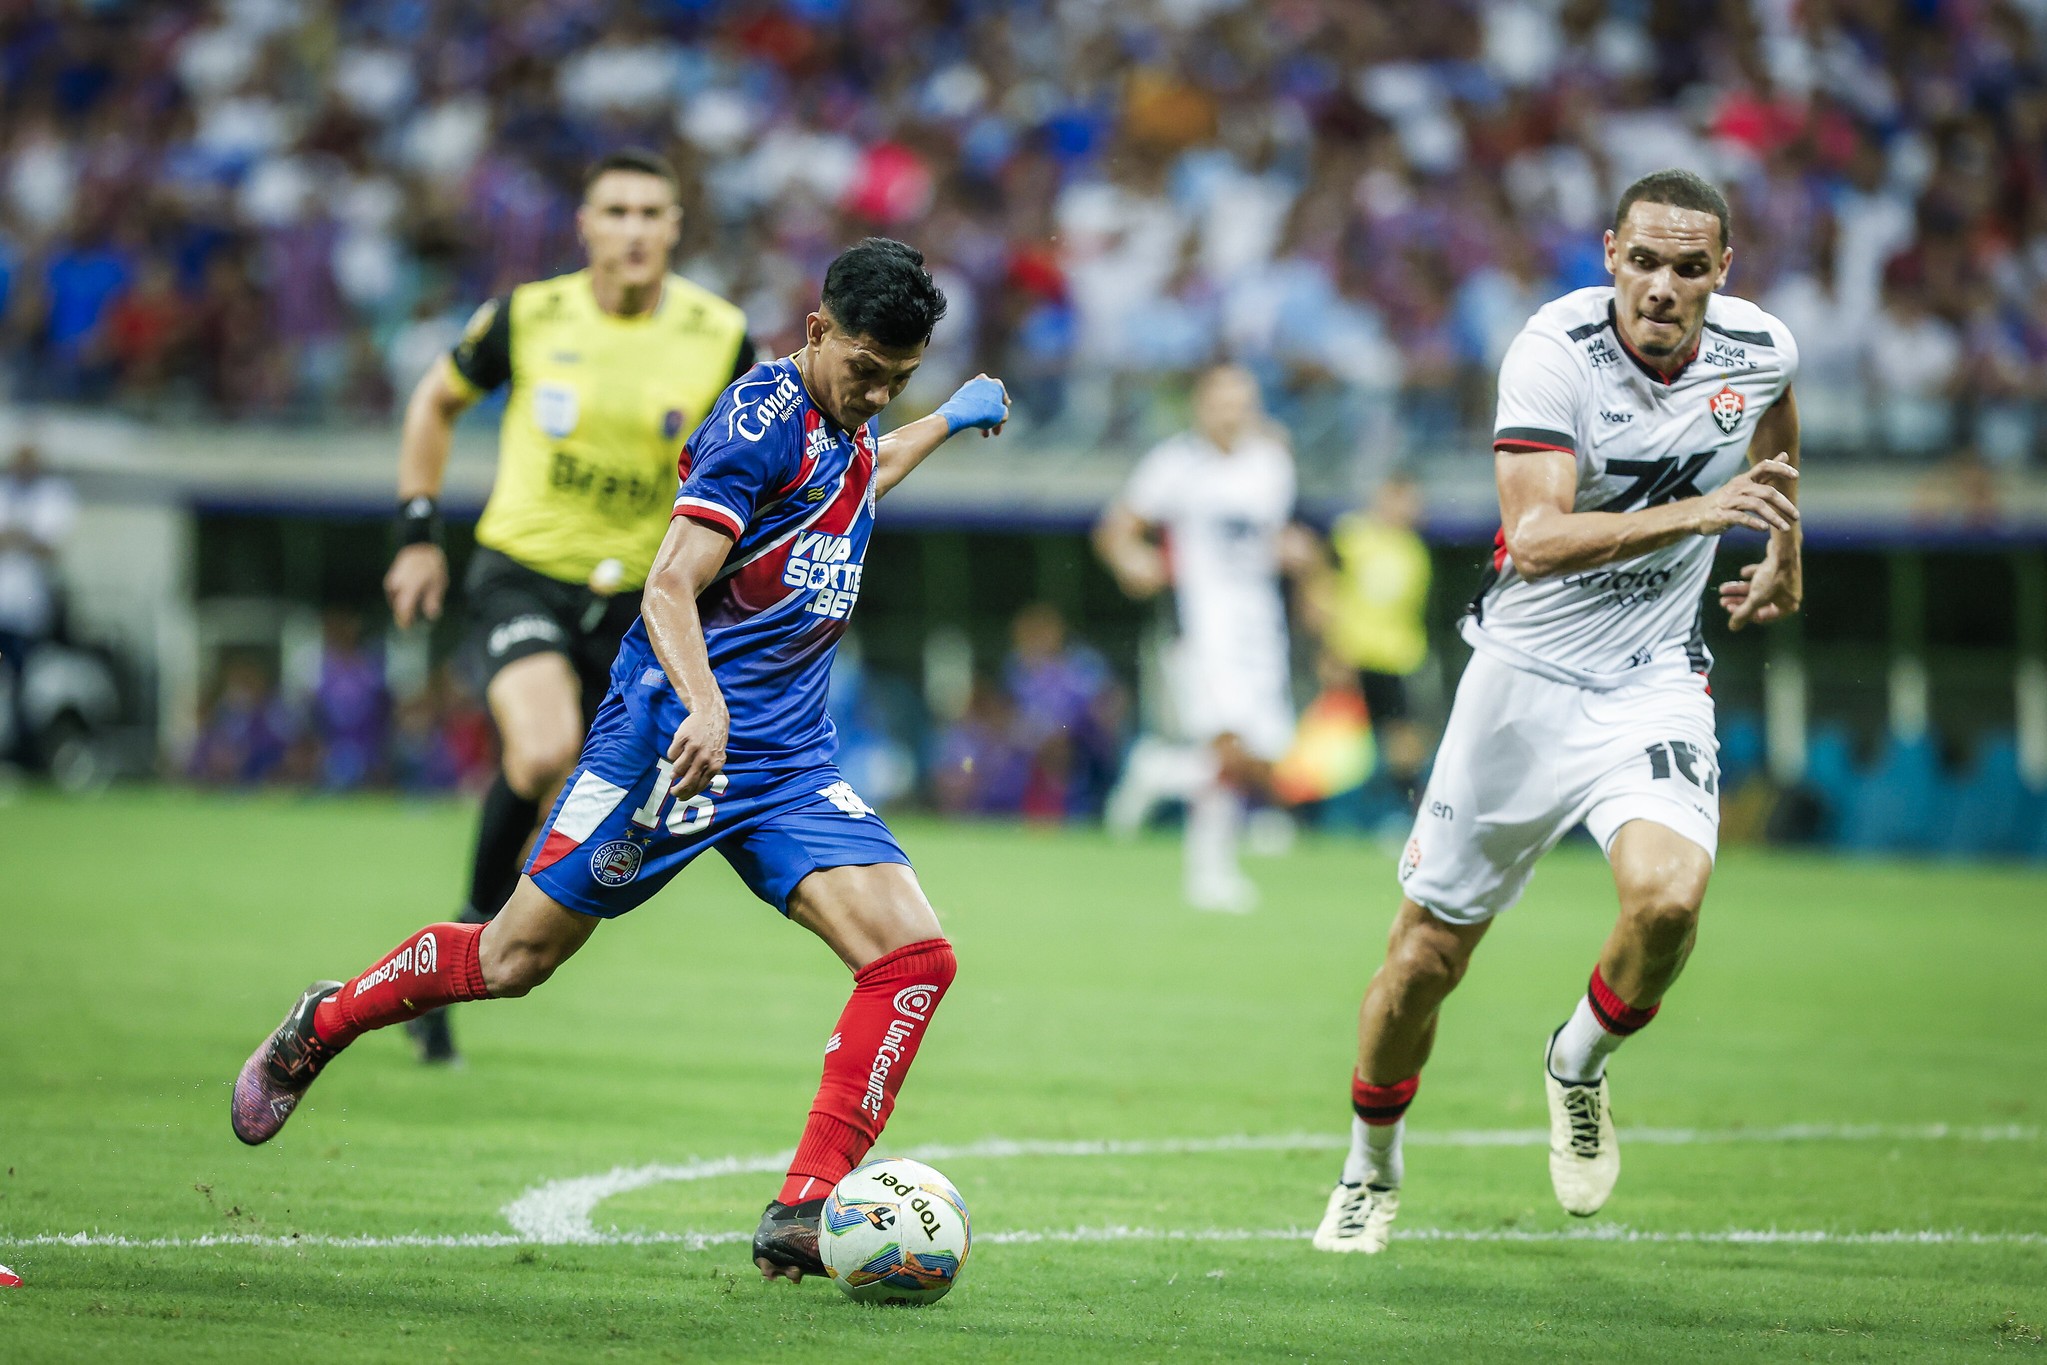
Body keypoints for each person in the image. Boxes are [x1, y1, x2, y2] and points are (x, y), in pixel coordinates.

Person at [231, 237, 1013, 1287]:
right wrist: (703, 705)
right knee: (511, 962)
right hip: (668, 749)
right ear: (816, 331)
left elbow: (860, 483)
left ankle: (807, 1202)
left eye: (898, 378)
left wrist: (944, 420)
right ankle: (322, 1023)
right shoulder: (757, 425)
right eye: (865, 370)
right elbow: (669, 587)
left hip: (782, 763)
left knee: (915, 960)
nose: (876, 394)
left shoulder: (849, 424)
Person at [1312, 169, 1804, 1253]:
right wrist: (1708, 507)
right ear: (1608, 255)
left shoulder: (1760, 345)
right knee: (1421, 966)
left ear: (1723, 271)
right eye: (1644, 261)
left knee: (1669, 902)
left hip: (1652, 678)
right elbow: (1529, 542)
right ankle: (1369, 1167)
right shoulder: (1552, 352)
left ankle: (1576, 1061)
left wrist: (1779, 541)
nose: (1664, 286)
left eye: (1689, 267)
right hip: (1520, 687)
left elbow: (1773, 424)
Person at [382, 149, 754, 1064]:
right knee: (542, 746)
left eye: (650, 213)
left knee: (589, 797)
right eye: (615, 211)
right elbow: (435, 402)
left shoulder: (721, 335)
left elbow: (765, 455)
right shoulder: (528, 315)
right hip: (526, 571)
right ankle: (464, 936)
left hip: (645, 601)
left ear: (675, 228)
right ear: (584, 225)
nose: (633, 229)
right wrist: (418, 533)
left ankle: (458, 962)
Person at [1096, 363, 1311, 912]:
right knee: (1227, 746)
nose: (1232, 411)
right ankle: (1210, 874)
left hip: (1260, 626)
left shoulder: (1271, 463)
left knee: (1265, 757)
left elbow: (1267, 536)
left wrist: (1294, 555)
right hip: (1201, 622)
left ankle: (1159, 771)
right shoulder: (1176, 464)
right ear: (1201, 405)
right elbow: (1117, 528)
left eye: (1243, 400)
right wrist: (1134, 560)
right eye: (1222, 401)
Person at [1317, 472, 1433, 805]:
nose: (1408, 509)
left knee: (1402, 739)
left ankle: (1410, 806)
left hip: (1396, 658)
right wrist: (1330, 646)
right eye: (1401, 499)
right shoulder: (1352, 536)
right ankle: (1313, 811)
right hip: (1352, 656)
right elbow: (1325, 584)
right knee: (1338, 738)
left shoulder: (1414, 551)